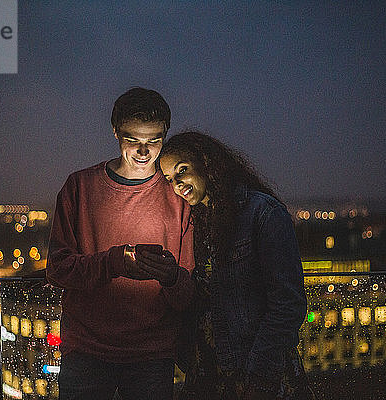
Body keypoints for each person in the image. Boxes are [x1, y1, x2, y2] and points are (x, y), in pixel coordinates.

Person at [46, 88, 195, 400]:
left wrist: (169, 275)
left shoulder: (179, 196)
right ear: (115, 131)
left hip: (152, 356)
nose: (144, 150)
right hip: (86, 351)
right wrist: (114, 263)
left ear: (166, 134)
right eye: (133, 139)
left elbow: (188, 290)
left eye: (154, 140)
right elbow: (58, 269)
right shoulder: (79, 188)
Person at [160, 132, 314, 400]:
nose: (177, 185)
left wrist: (260, 376)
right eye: (170, 179)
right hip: (207, 373)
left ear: (206, 162)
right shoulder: (196, 223)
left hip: (254, 374)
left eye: (182, 170)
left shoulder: (262, 213)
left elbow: (288, 304)